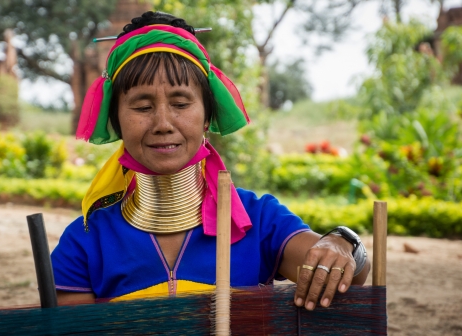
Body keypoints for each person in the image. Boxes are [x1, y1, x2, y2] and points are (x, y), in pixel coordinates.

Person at [51, 11, 370, 312]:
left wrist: (342, 243)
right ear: (116, 120)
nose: (163, 123)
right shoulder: (84, 241)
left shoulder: (258, 220)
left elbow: (350, 274)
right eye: (142, 107)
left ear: (207, 117)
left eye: (180, 103)